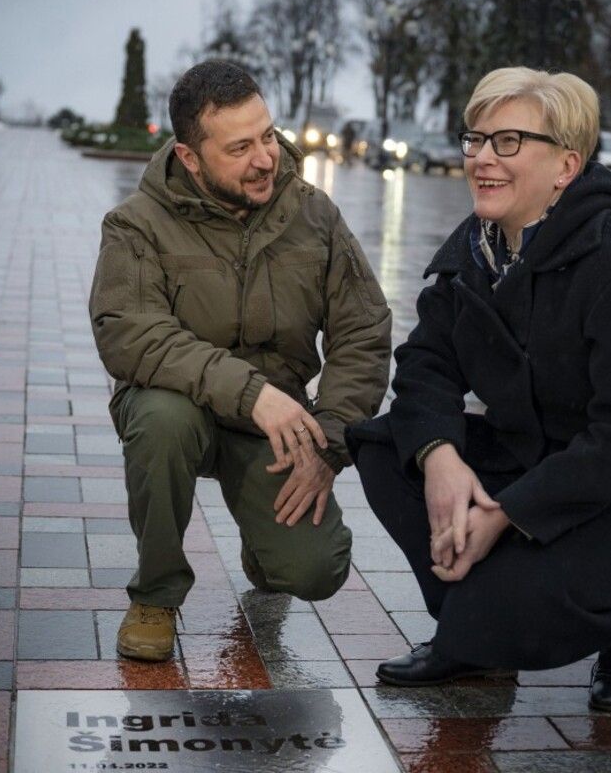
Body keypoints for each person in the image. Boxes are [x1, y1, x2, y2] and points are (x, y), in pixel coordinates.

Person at [346, 68, 611, 712]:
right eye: (477, 139)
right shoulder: (474, 255)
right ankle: (473, 632)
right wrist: (439, 456)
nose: (482, 159)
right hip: (541, 458)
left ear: (566, 166)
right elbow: (424, 369)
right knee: (390, 449)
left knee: (519, 602)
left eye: (510, 142)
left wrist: (503, 513)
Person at [89, 60, 392, 662]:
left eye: (267, 136)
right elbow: (130, 334)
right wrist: (251, 393)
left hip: (274, 424)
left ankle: (264, 547)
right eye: (240, 148)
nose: (265, 158)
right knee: (162, 421)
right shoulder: (135, 225)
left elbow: (364, 329)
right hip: (183, 409)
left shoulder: (315, 215)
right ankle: (155, 594)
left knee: (314, 571)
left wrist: (330, 442)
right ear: (191, 157)